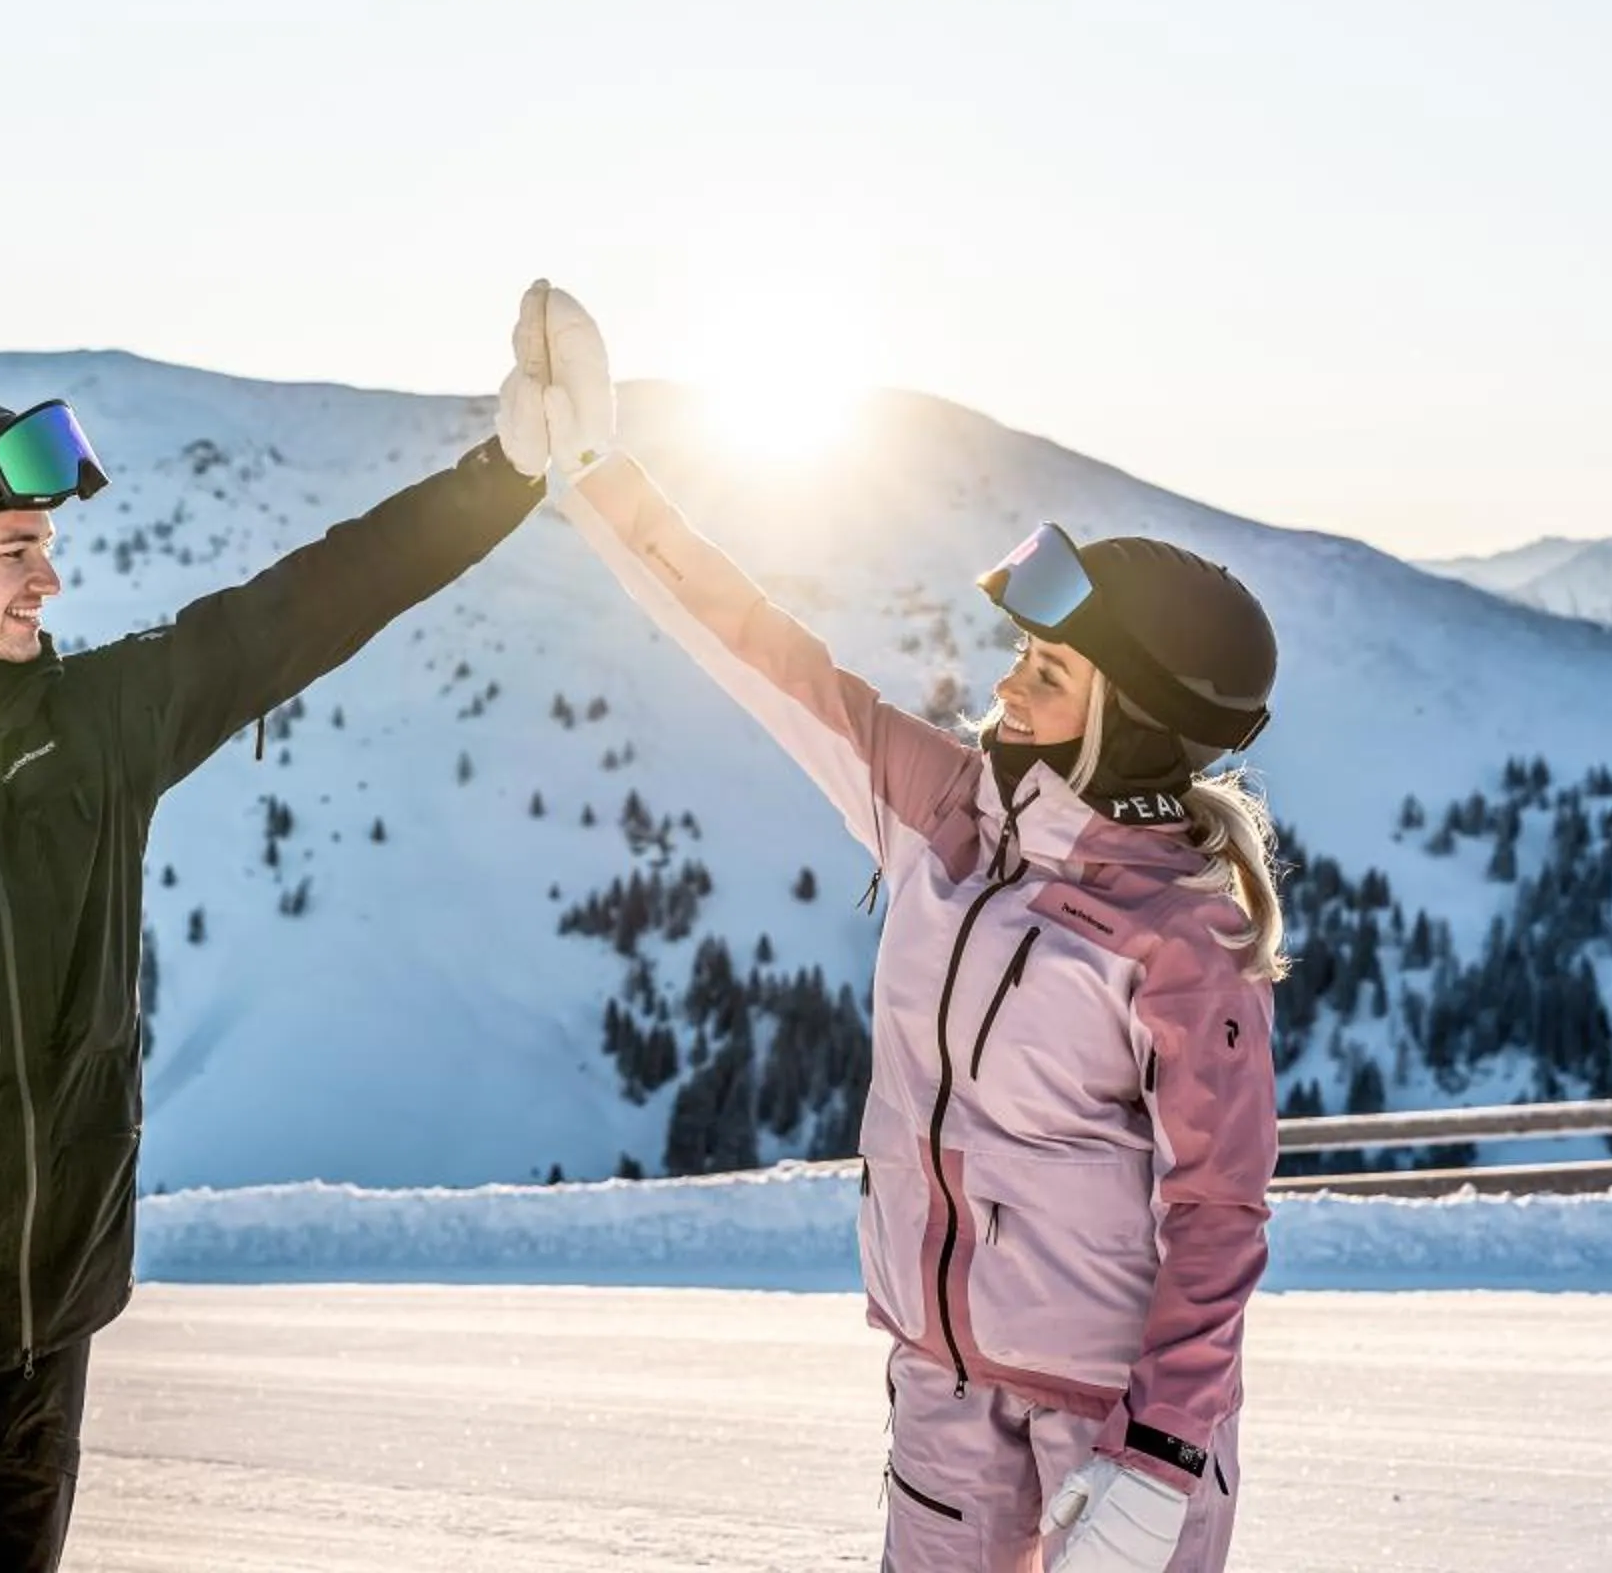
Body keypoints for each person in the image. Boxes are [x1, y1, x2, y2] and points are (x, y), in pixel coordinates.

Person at [0, 344, 563, 1572]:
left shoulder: (89, 730)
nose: (51, 574)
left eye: (44, 540)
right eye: (14, 547)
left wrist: (505, 473)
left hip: (46, 1352)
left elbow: (293, 613)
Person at [515, 282, 1285, 1573]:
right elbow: (764, 649)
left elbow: (1220, 1213)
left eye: (1045, 673)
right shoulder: (946, 812)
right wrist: (598, 478)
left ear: (1130, 725)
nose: (1000, 681)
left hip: (1114, 1429)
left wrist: (1163, 1461)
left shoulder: (1180, 938)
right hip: (940, 1388)